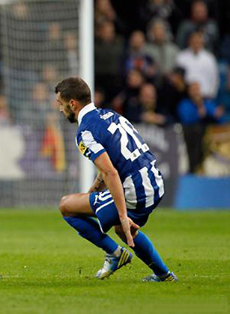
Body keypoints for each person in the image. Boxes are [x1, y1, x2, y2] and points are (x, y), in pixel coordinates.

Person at [55, 77, 177, 282]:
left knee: (66, 206)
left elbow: (111, 172)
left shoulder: (85, 132)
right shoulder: (111, 115)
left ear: (72, 104)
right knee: (122, 228)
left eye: (60, 103)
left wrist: (121, 214)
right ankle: (163, 275)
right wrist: (95, 187)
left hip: (136, 189)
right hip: (155, 182)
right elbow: (114, 161)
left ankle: (114, 253)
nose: (59, 109)